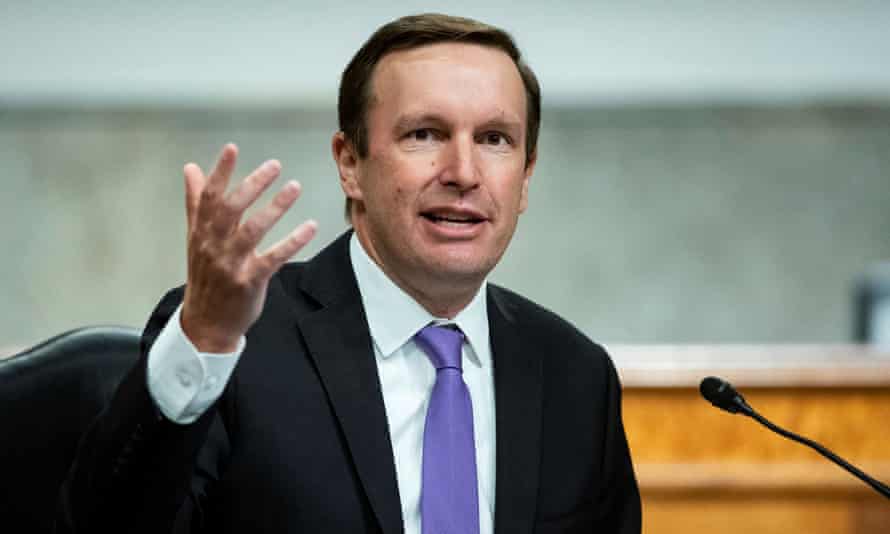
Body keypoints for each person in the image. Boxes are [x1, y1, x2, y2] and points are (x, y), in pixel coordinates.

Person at [56, 13, 640, 534]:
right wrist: (205, 339)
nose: (463, 171)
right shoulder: (232, 342)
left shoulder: (576, 377)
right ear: (349, 163)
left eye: (494, 139)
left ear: (526, 175)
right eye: (425, 134)